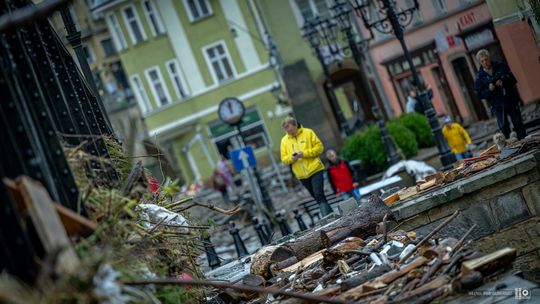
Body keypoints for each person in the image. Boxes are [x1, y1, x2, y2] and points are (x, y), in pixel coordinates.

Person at [280, 116, 333, 217]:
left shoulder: (308, 132)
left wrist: (304, 154)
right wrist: (292, 158)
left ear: (295, 125)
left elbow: (319, 148)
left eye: (291, 130)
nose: (289, 133)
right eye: (287, 131)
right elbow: (284, 159)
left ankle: (327, 218)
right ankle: (331, 215)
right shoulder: (284, 141)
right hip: (302, 175)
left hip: (315, 169)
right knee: (317, 197)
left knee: (318, 193)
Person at [474, 49, 526, 140]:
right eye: (482, 61)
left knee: (518, 123)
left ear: (489, 58)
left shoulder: (500, 66)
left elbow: (513, 80)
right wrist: (489, 90)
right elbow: (480, 94)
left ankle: (524, 141)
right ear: (480, 62)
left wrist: (503, 81)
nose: (485, 62)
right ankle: (511, 146)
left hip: (510, 99)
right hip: (497, 105)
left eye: (486, 59)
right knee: (503, 127)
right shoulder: (479, 76)